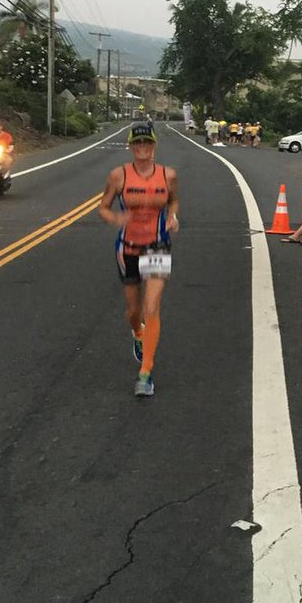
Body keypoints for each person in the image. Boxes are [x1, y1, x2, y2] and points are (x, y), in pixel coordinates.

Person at [98, 121, 179, 398]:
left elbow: (174, 201)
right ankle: (137, 333)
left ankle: (145, 372)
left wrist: (172, 217)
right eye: (137, 143)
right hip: (128, 247)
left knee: (152, 307)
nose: (142, 148)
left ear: (154, 146)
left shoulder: (168, 176)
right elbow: (103, 207)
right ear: (131, 147)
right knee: (133, 311)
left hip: (157, 245)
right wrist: (116, 218)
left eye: (147, 143)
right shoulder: (118, 176)